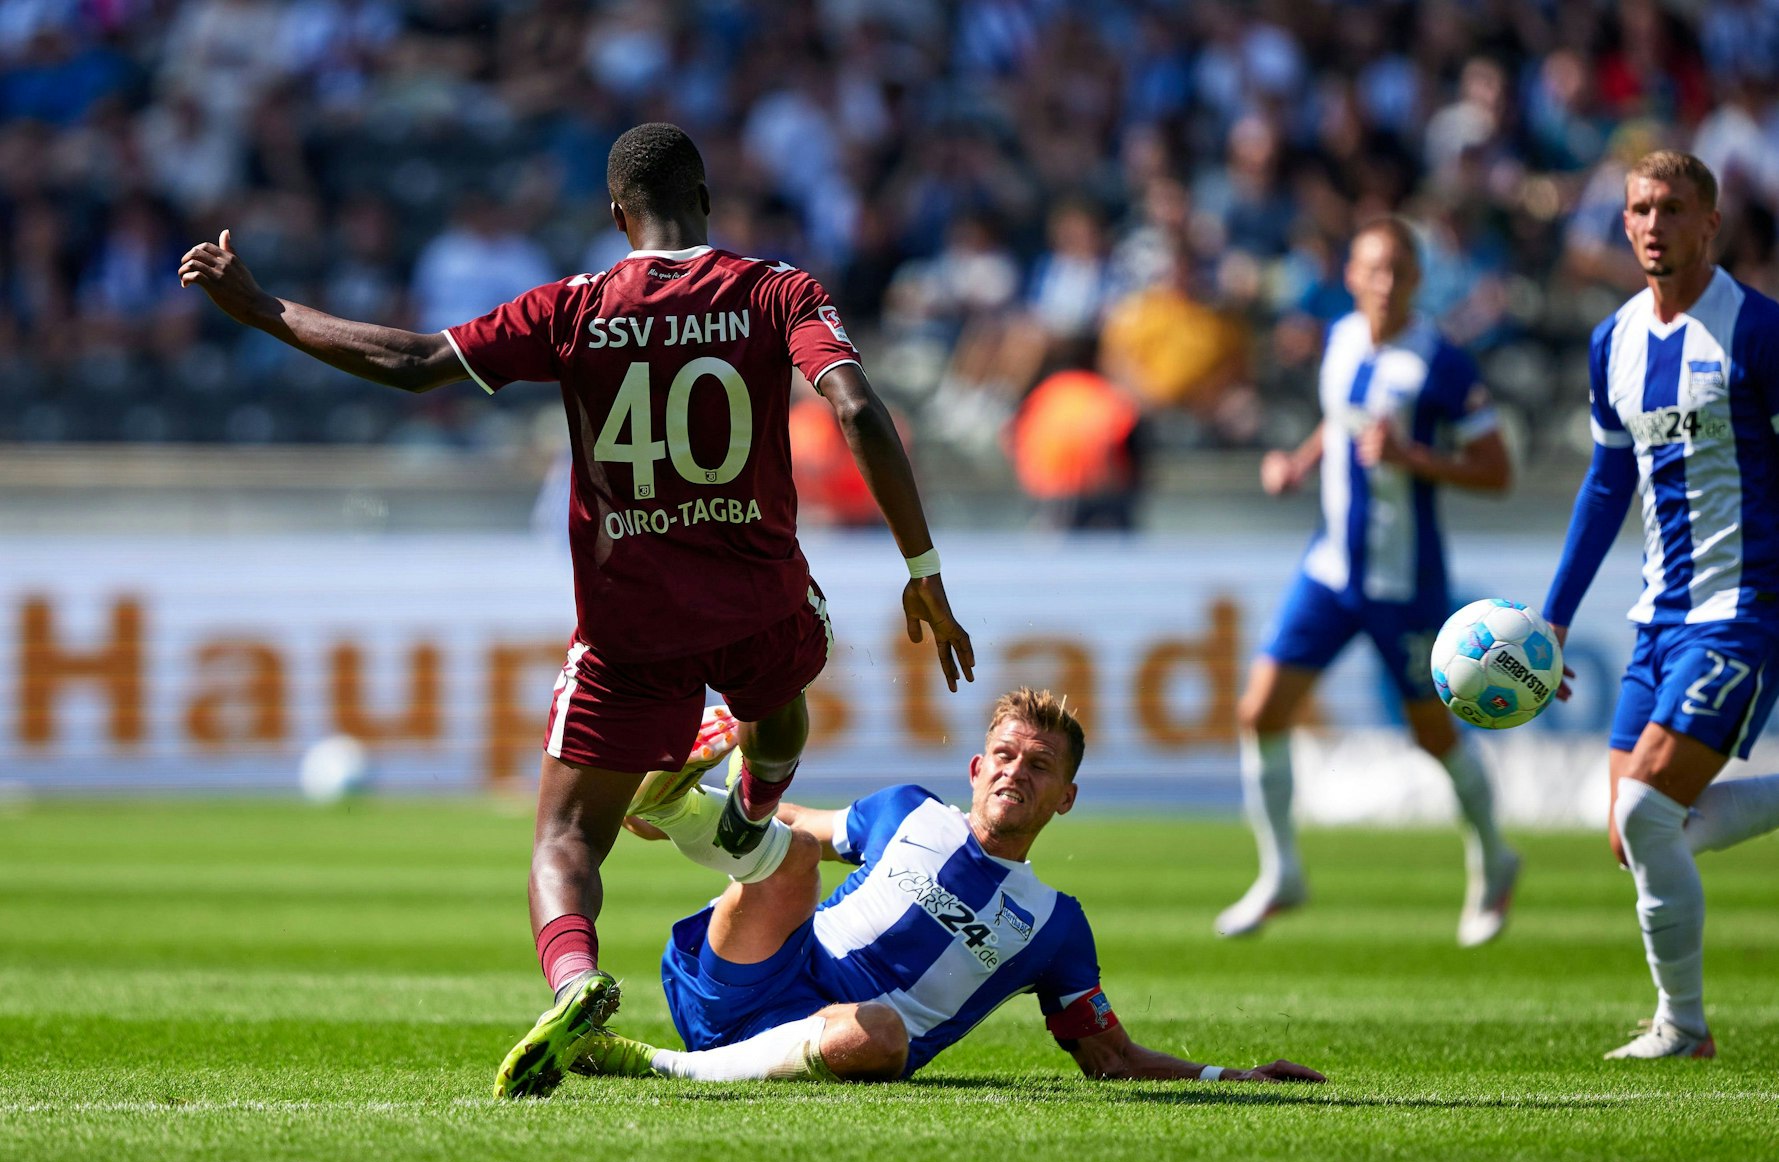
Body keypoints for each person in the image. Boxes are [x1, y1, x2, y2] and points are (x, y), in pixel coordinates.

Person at [177, 122, 975, 1098]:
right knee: (787, 680)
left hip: (629, 619)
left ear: (615, 215)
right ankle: (753, 809)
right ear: (709, 201)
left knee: (564, 837)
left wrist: (261, 309)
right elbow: (855, 407)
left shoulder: (576, 307)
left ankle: (577, 978)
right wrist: (921, 563)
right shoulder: (778, 289)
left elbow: (418, 361)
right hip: (757, 593)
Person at [561, 690, 1326, 1088]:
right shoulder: (907, 811)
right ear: (974, 767)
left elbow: (1111, 1058)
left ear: (1065, 798)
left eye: (1038, 767)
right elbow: (791, 822)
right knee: (791, 852)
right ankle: (669, 802)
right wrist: (685, 822)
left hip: (839, 1036)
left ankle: (650, 1063)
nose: (1013, 774)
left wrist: (1236, 1076)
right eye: (1002, 755)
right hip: (752, 974)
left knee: (882, 1034)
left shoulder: (1056, 927)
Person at [1217, 218, 1519, 946]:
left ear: (1416, 280)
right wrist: (1297, 461)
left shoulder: (1441, 363)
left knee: (1433, 734)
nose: (1384, 284)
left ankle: (1494, 856)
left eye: (1398, 271)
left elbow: (1497, 470)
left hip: (1402, 580)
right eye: (1371, 269)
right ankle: (1282, 871)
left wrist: (1415, 458)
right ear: (1350, 275)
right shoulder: (1341, 336)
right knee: (1260, 710)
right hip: (1328, 571)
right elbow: (1341, 423)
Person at [1543, 151, 1779, 1061]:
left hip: (1741, 610)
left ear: (1709, 224)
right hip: (1655, 619)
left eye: (1671, 209)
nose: (1650, 224)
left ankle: (1681, 1026)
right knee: (1630, 834)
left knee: (1646, 811)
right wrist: (1554, 619)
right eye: (1639, 209)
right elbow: (1606, 486)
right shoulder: (1613, 341)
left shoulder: (1757, 333)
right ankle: (1680, 1023)